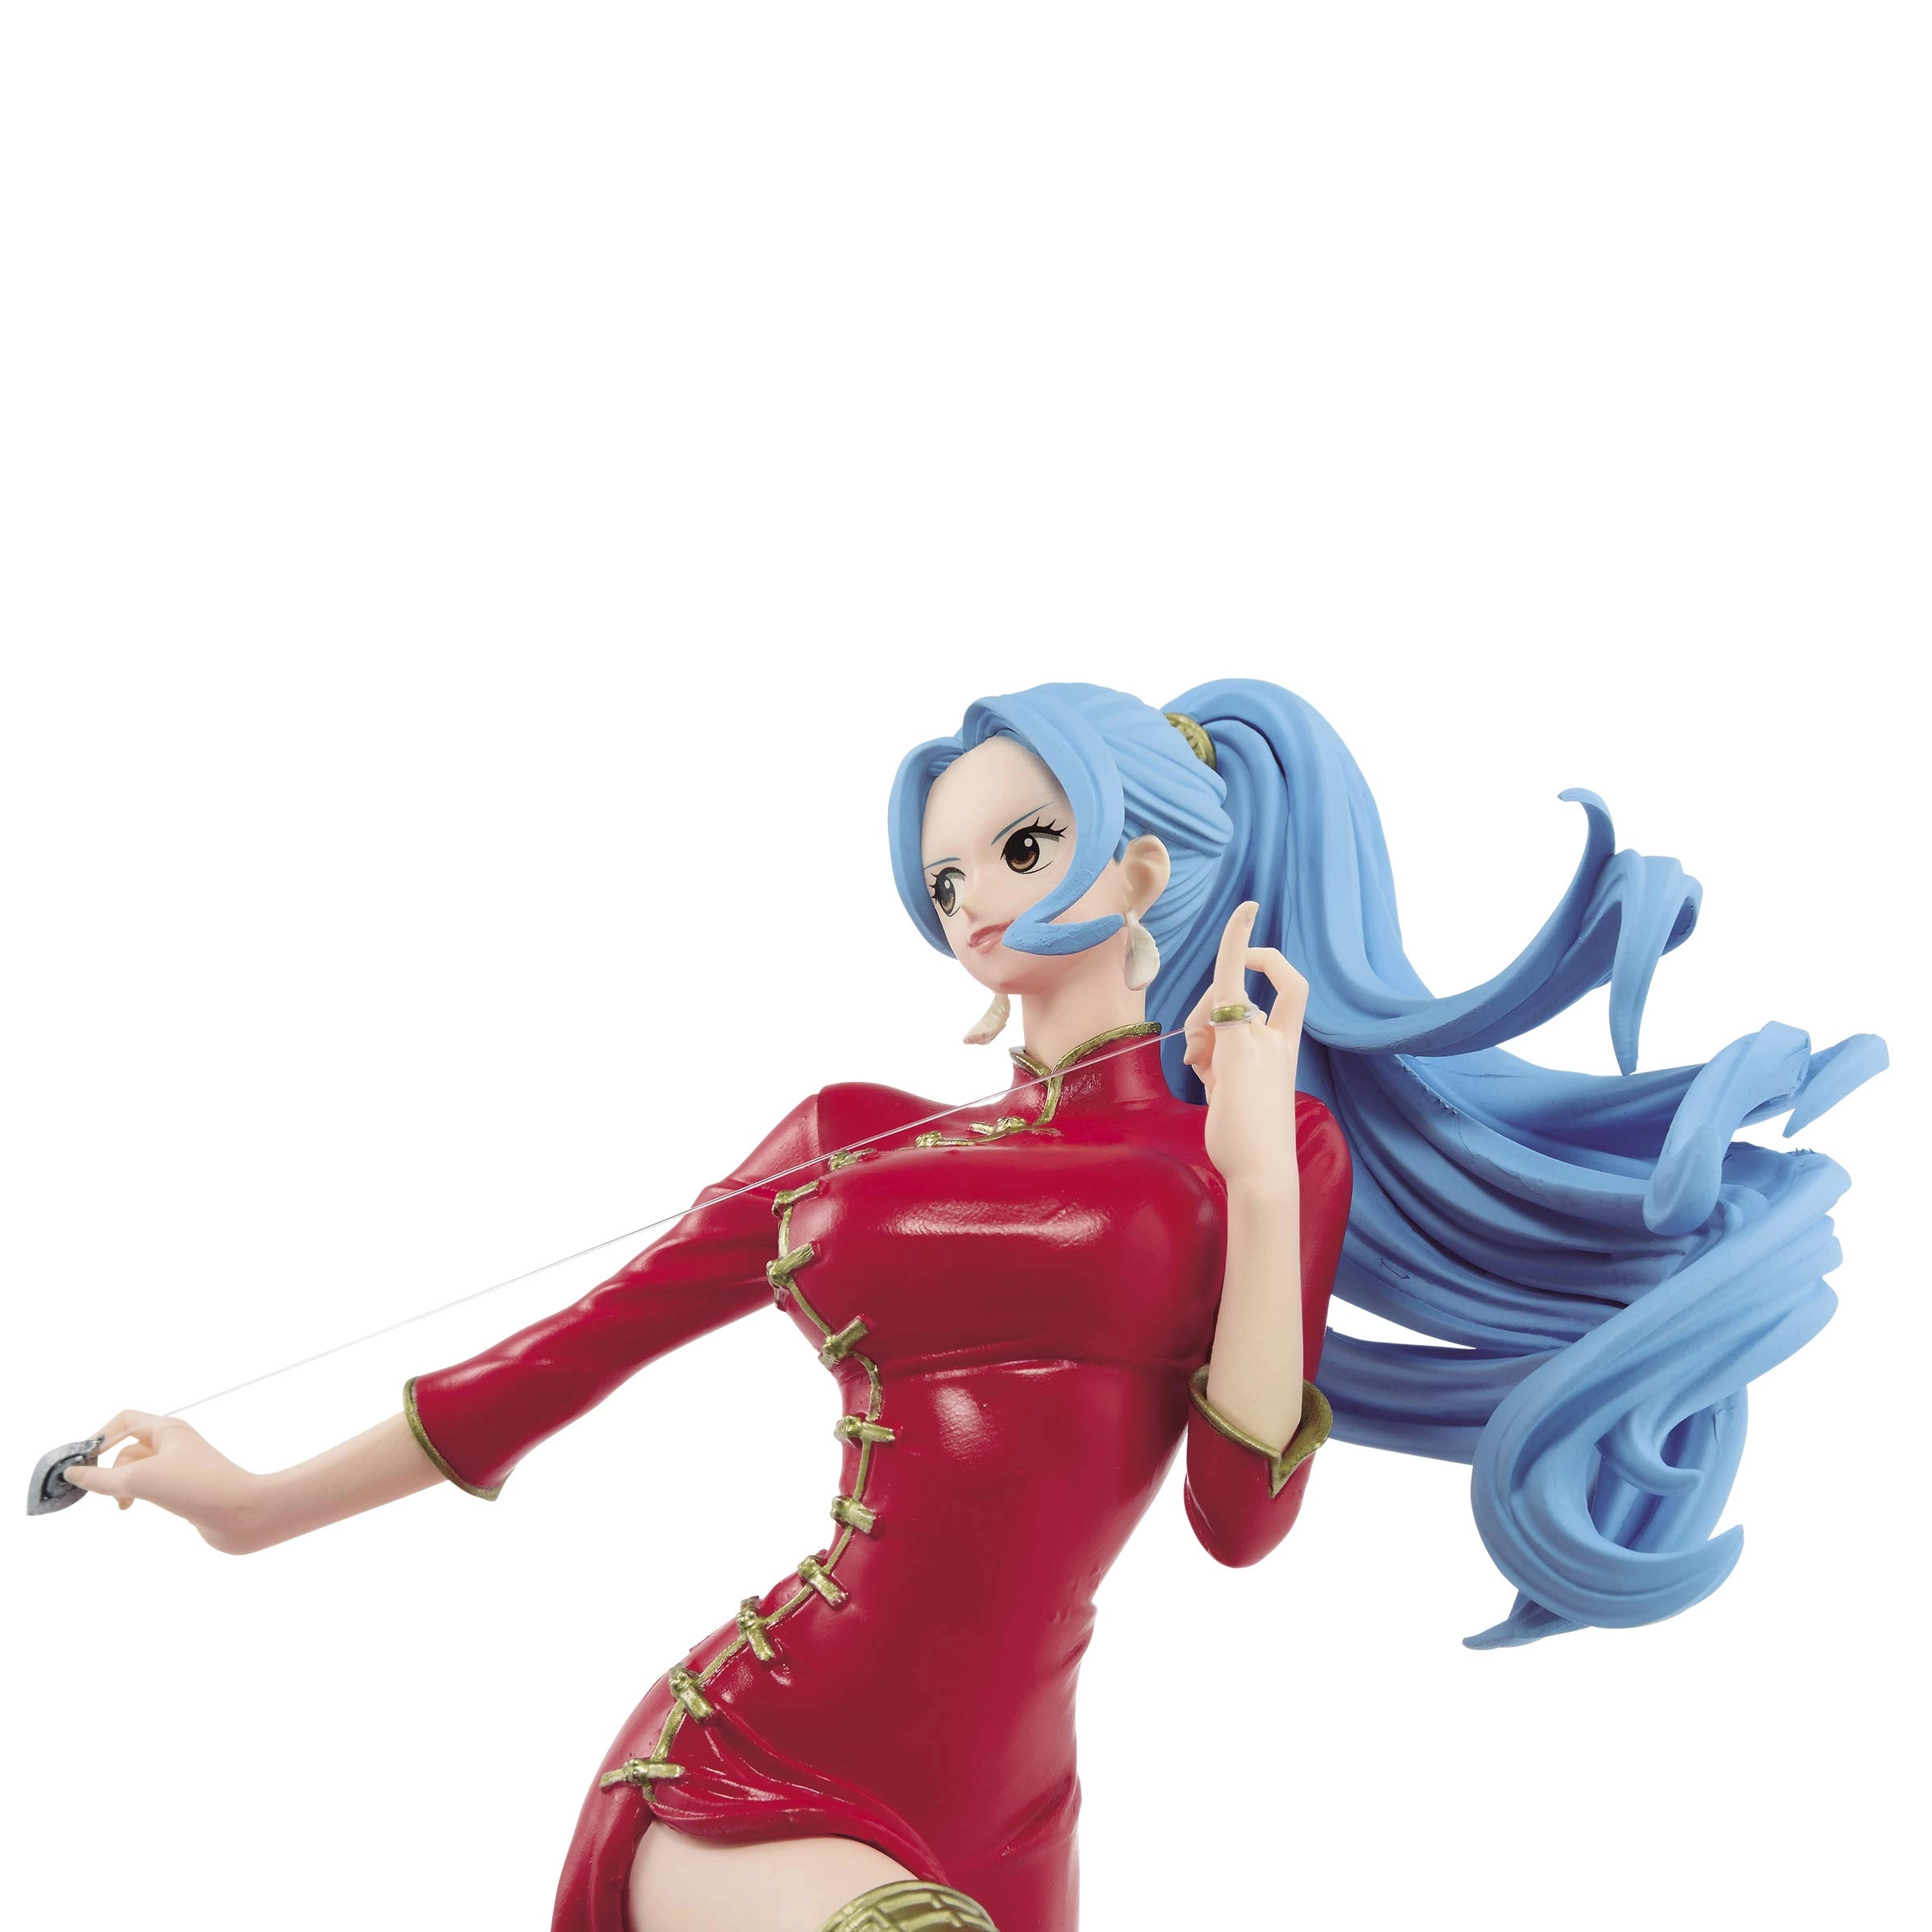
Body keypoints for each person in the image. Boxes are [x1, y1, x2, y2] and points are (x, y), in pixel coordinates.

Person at [69, 679, 1882, 1932]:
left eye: (1019, 852)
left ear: (1145, 868)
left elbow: (1238, 1520)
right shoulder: (845, 1141)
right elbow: (561, 1361)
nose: (971, 907)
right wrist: (248, 1506)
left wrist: (1258, 1177)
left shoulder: (1262, 1153)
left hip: (1013, 1815)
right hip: (755, 1766)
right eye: (947, 878)